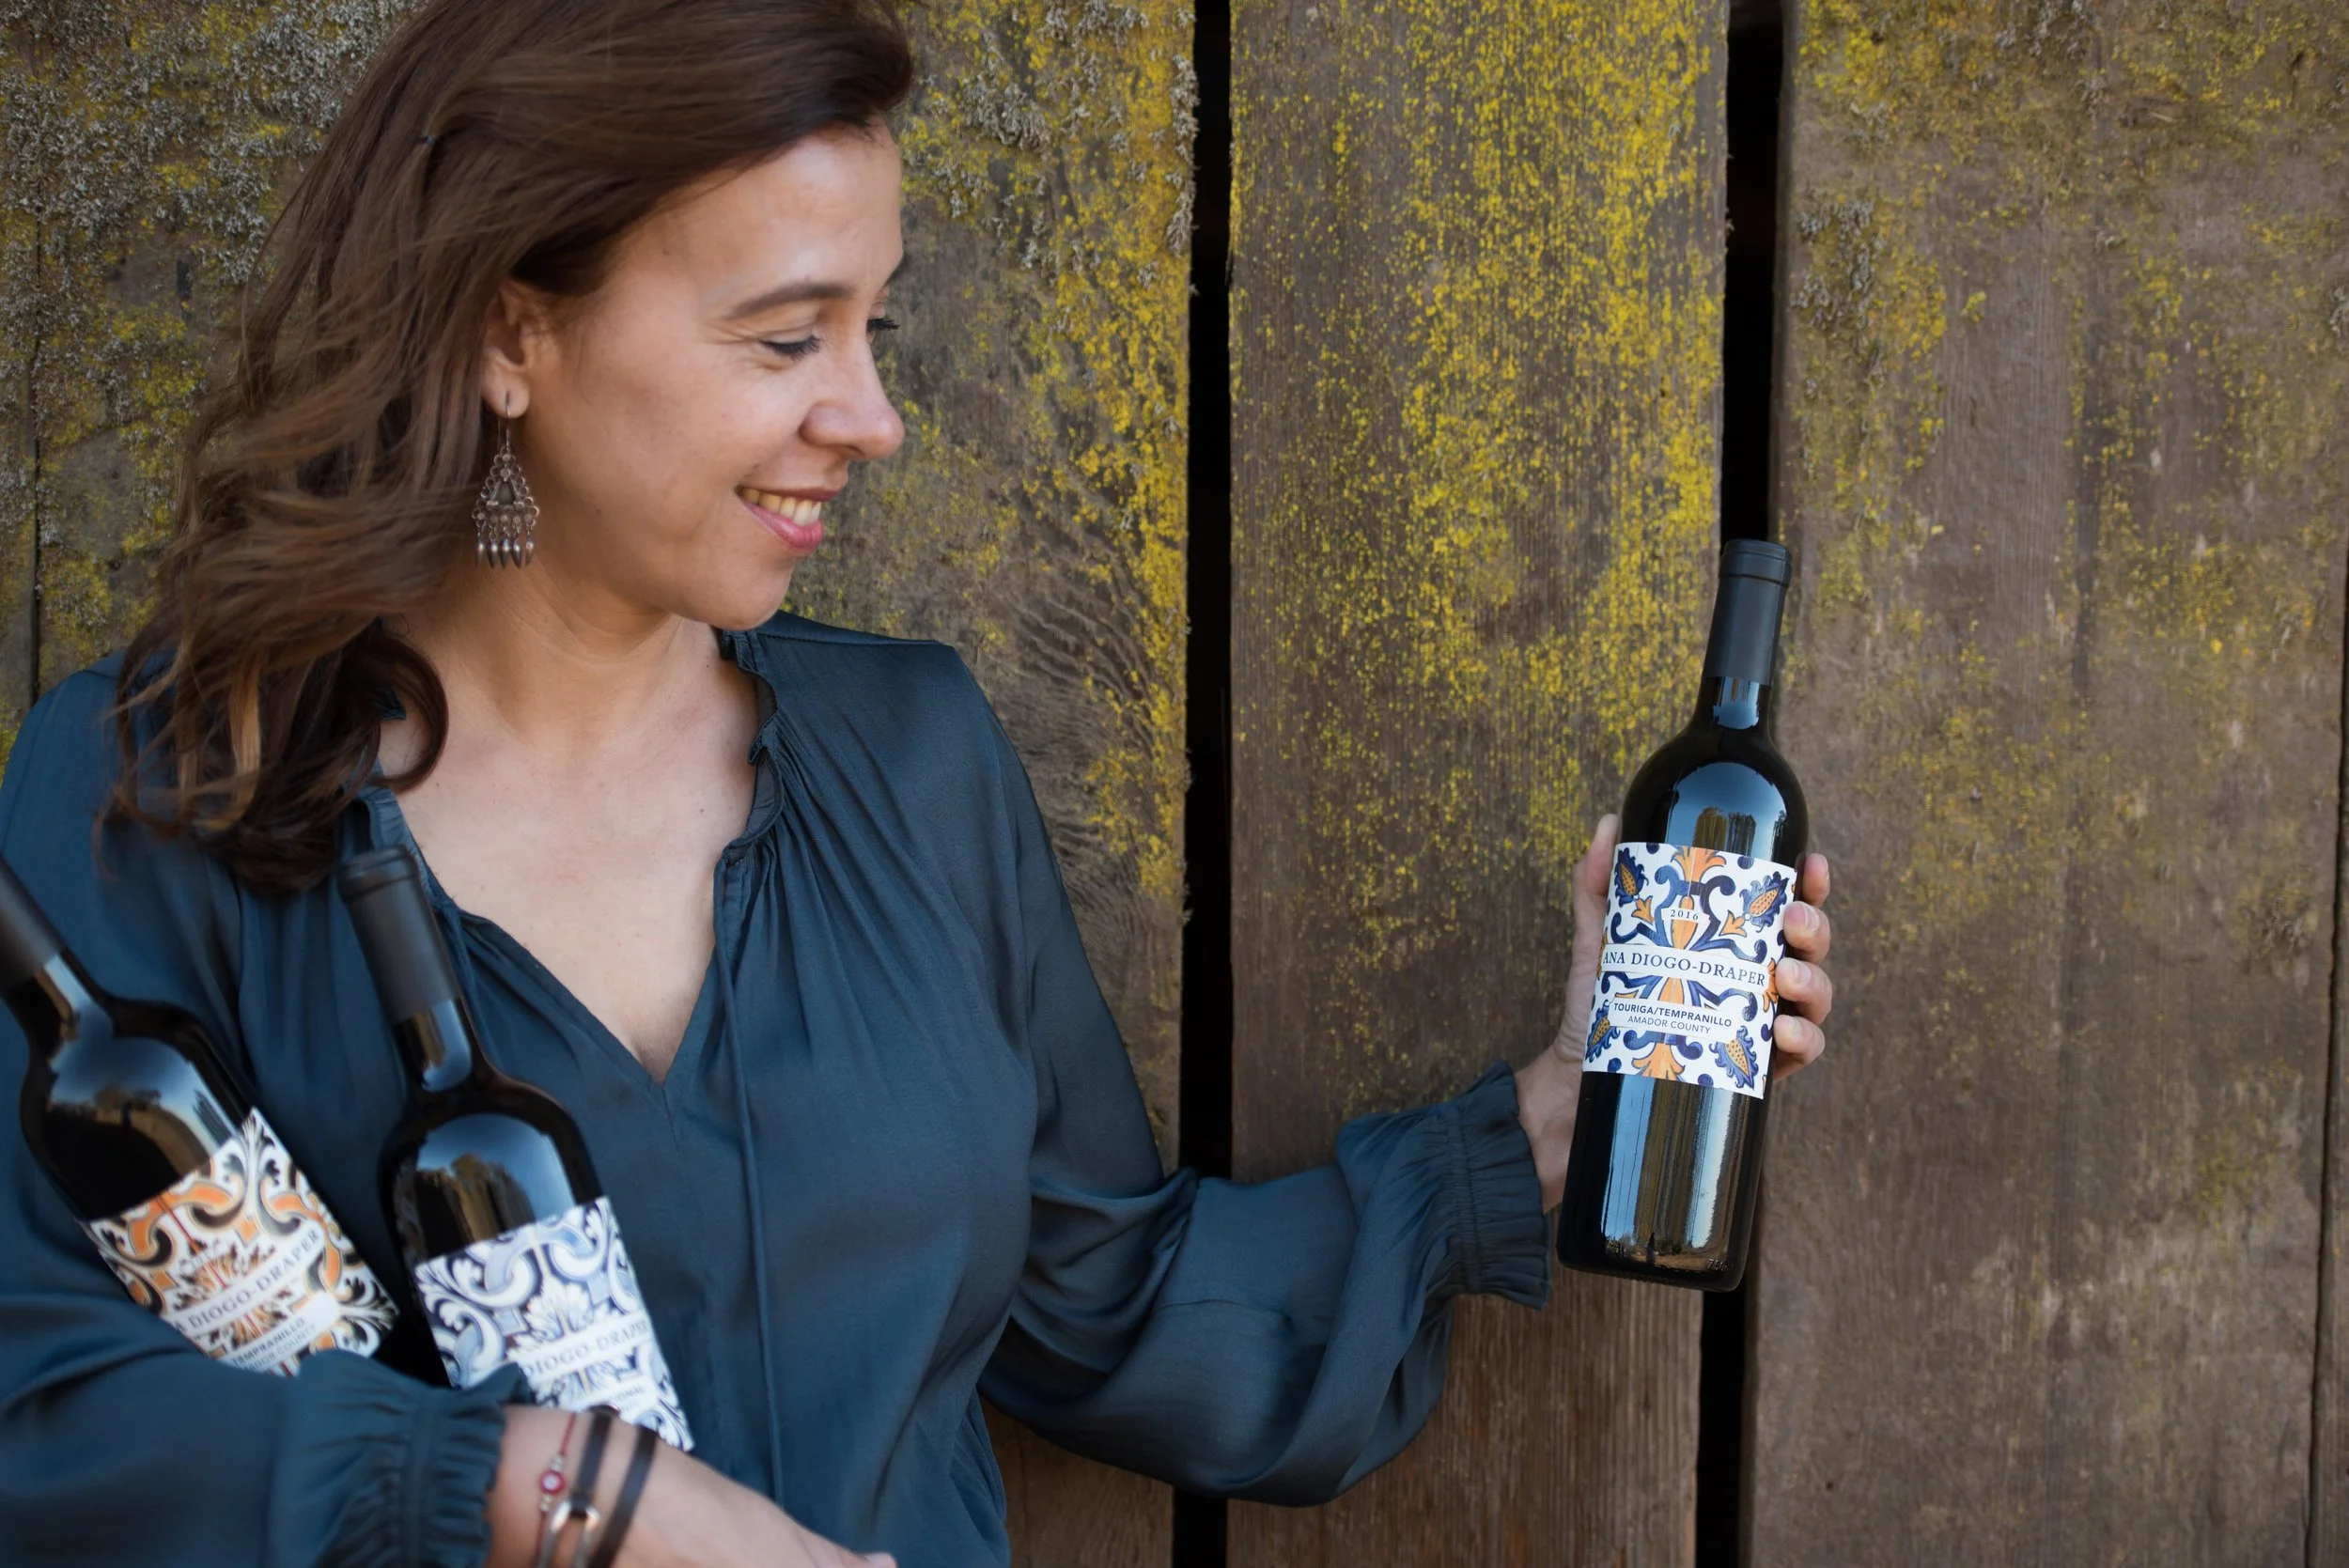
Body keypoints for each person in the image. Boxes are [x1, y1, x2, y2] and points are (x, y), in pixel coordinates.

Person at [0, 1, 1836, 1564]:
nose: (868, 414)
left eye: (872, 326)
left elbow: (1096, 1304)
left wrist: (1537, 1121)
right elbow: (44, 1412)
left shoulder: (909, 756)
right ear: (509, 330)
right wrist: (552, 1490)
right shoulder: (160, 793)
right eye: (786, 336)